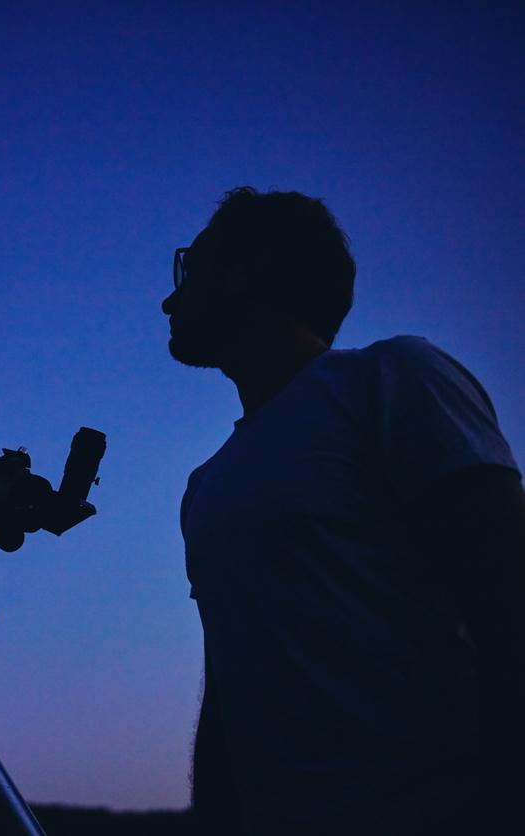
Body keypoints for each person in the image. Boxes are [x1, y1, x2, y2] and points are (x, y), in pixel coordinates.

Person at [162, 187, 525, 835]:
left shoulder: (393, 379)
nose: (170, 298)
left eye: (190, 269)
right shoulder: (206, 486)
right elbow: (229, 690)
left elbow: (508, 594)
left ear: (244, 273)